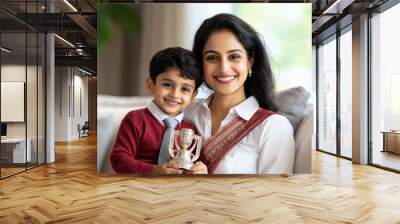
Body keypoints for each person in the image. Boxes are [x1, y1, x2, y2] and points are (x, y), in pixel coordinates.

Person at [185, 13, 295, 174]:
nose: (223, 68)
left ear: (250, 61)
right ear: (201, 64)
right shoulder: (185, 113)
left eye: (234, 57)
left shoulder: (273, 127)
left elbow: (273, 195)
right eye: (212, 58)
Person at [110, 47, 206, 174]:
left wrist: (200, 170)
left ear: (193, 95)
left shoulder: (191, 130)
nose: (175, 94)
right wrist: (153, 170)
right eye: (167, 85)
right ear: (151, 86)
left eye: (185, 89)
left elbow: (196, 163)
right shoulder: (135, 119)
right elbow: (119, 159)